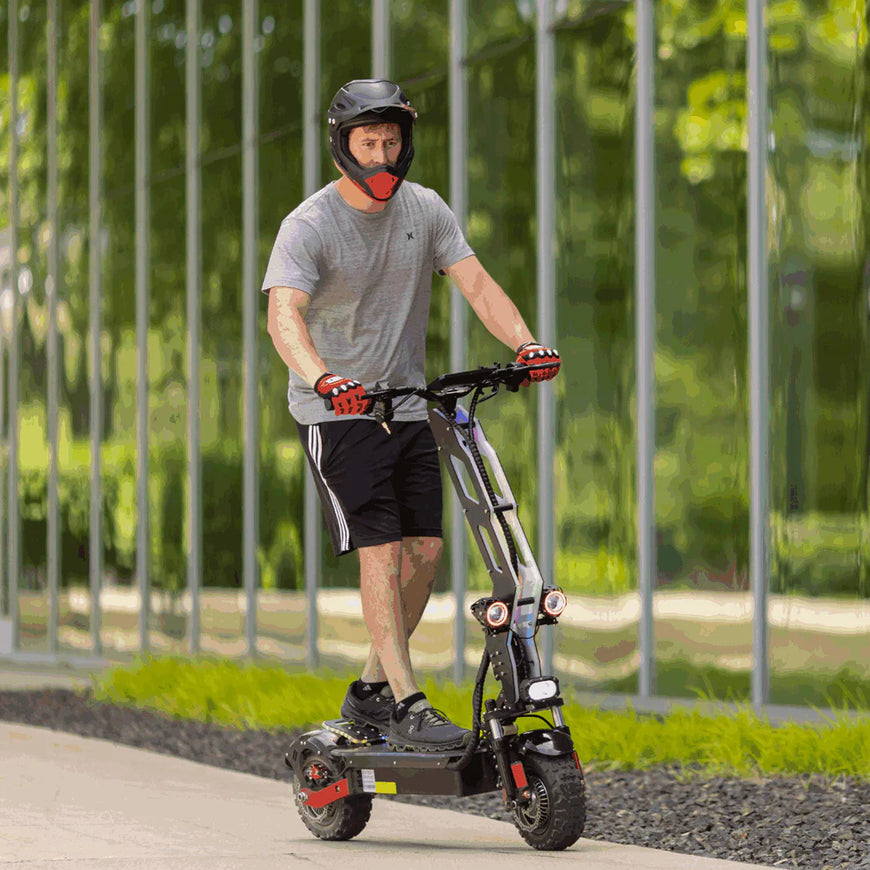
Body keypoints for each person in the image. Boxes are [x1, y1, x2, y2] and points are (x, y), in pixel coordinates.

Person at [262, 79, 560, 751]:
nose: (383, 158)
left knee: (425, 553)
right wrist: (324, 377)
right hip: (336, 413)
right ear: (343, 146)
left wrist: (526, 343)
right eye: (369, 143)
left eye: (393, 143)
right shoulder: (308, 225)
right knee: (384, 551)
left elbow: (476, 283)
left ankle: (370, 692)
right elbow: (284, 316)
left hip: (406, 404)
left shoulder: (424, 210)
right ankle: (407, 701)